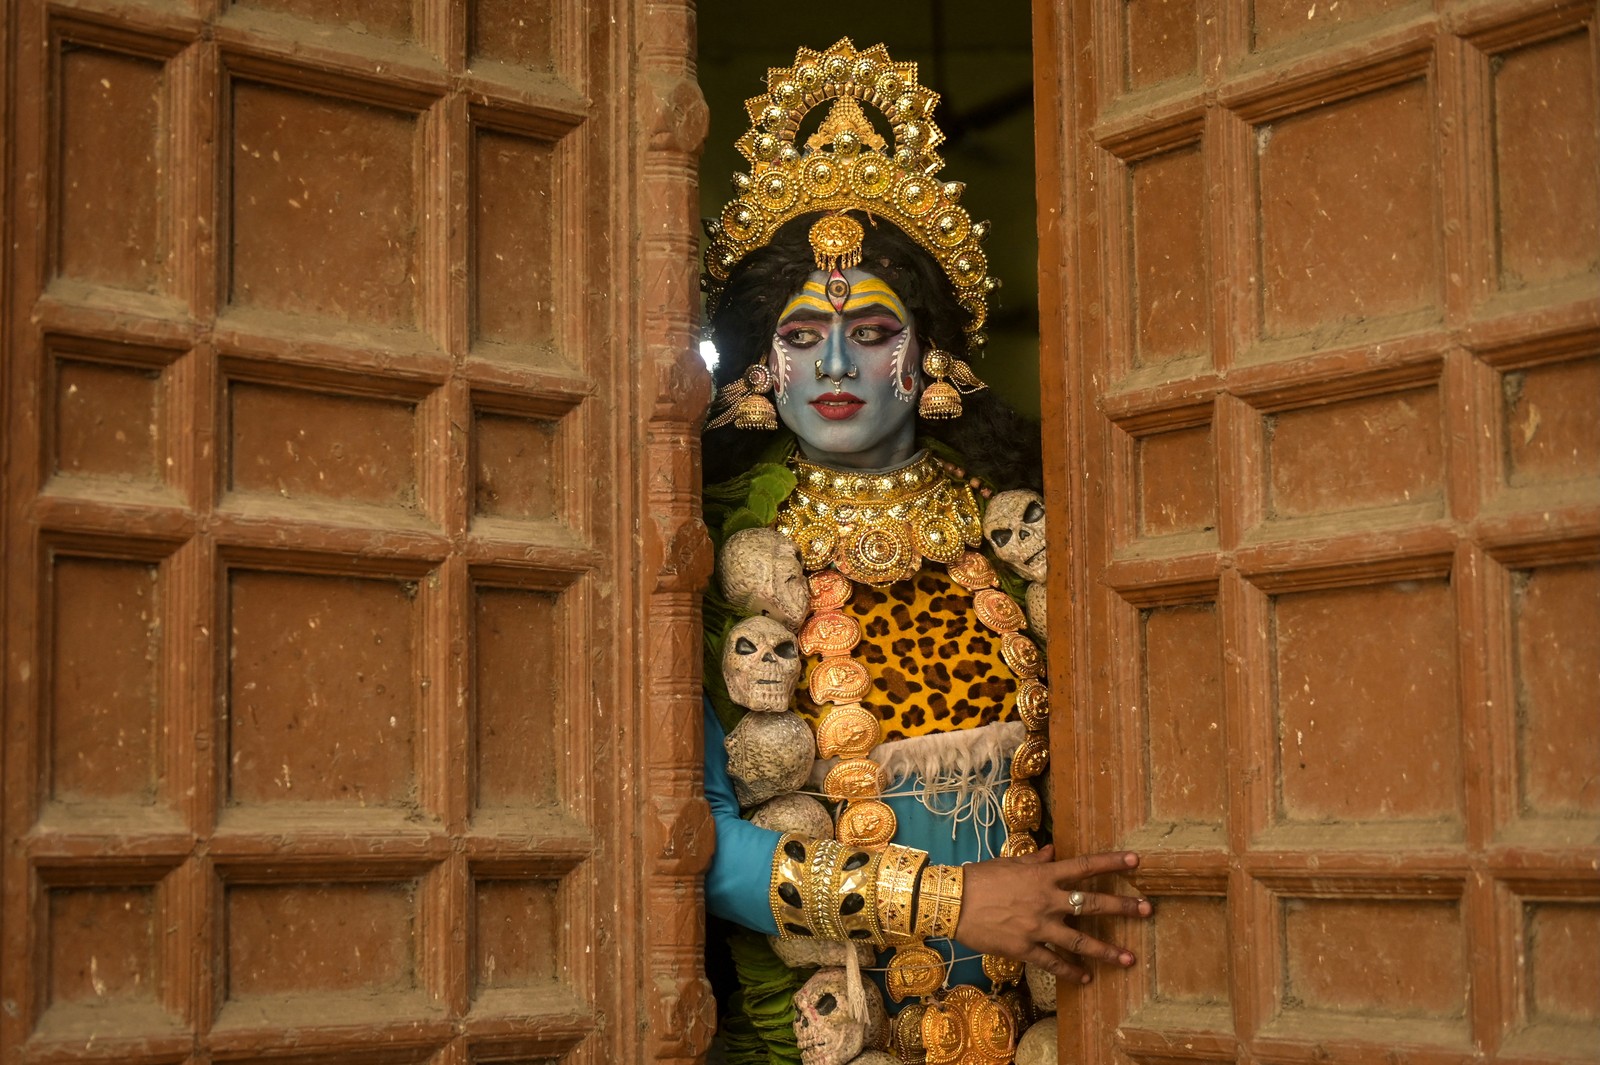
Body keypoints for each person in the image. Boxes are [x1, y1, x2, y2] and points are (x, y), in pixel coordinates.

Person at [699, 40, 1152, 1065]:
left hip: (1047, 1000)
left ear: (932, 357)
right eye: (801, 334)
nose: (831, 363)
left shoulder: (1021, 523)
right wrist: (951, 903)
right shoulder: (716, 551)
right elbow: (701, 848)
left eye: (868, 330)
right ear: (761, 367)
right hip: (847, 1008)